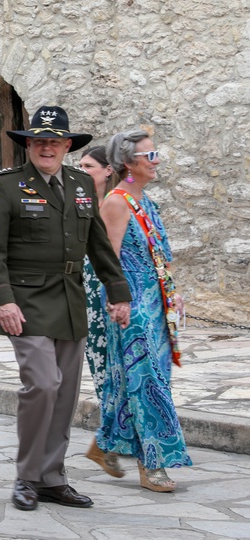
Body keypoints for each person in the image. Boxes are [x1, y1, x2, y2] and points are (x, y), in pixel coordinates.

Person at [0, 105, 132, 512]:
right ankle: (26, 477)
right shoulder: (5, 185)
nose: (46, 147)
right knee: (42, 384)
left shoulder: (81, 183)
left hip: (69, 298)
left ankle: (52, 478)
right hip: (25, 301)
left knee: (64, 394)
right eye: (39, 141)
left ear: (66, 145)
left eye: (54, 141)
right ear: (29, 145)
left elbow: (98, 243)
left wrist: (118, 292)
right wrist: (1, 300)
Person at [91, 129, 191, 491]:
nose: (157, 160)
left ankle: (105, 443)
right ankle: (153, 463)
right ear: (129, 163)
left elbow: (159, 254)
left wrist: (173, 293)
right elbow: (107, 259)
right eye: (150, 155)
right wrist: (117, 301)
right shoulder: (116, 202)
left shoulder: (146, 201)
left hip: (156, 302)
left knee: (148, 378)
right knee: (146, 381)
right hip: (132, 307)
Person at [76, 146, 121, 474]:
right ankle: (105, 442)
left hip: (113, 293)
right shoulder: (79, 203)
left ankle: (105, 442)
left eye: (89, 166)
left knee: (120, 367)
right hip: (89, 297)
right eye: (79, 165)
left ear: (108, 170)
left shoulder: (114, 204)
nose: (82, 170)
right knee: (103, 367)